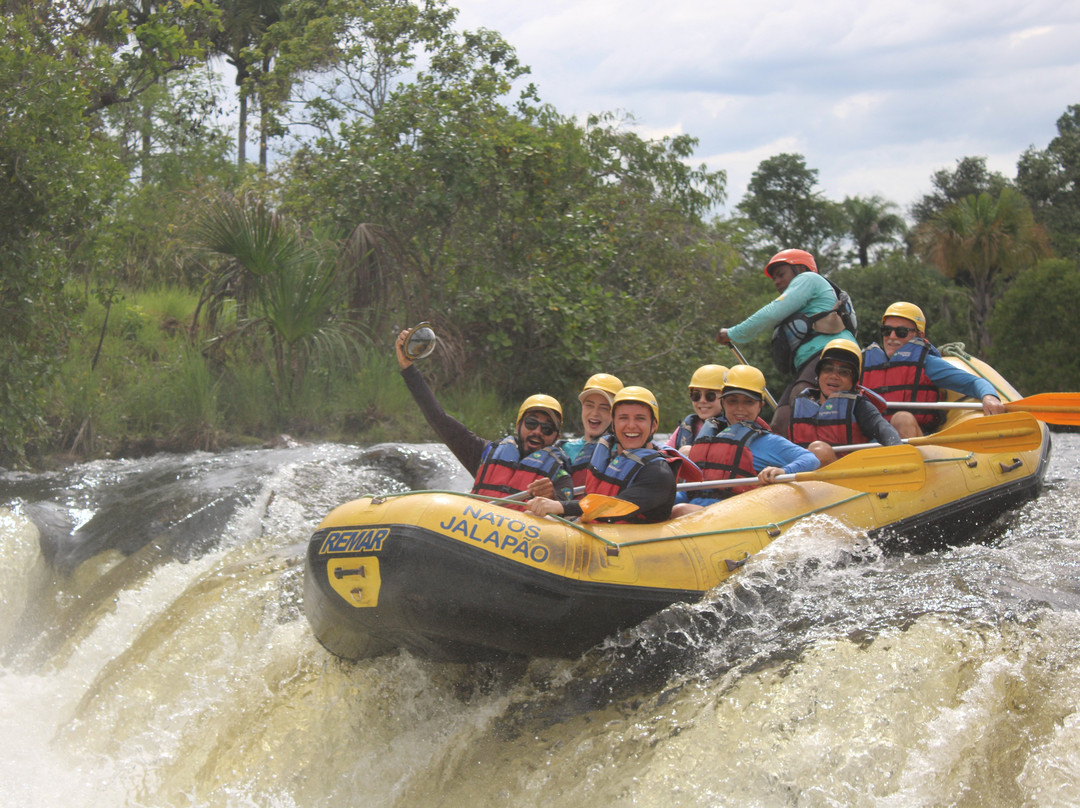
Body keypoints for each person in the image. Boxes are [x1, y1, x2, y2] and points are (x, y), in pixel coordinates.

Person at [395, 328, 572, 503]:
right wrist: (408, 368)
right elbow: (438, 418)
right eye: (531, 423)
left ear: (556, 437)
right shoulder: (483, 453)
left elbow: (567, 511)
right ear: (519, 426)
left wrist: (553, 498)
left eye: (547, 429)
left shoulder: (560, 477)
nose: (537, 432)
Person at [716, 248, 857, 437]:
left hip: (829, 354)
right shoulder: (804, 292)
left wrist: (733, 333)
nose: (777, 282)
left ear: (799, 269)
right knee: (781, 422)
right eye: (774, 278)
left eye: (781, 274)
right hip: (810, 363)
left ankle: (815, 454)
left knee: (801, 400)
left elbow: (772, 312)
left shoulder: (808, 279)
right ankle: (786, 463)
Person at [670, 365, 820, 517]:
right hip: (694, 513)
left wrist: (783, 471)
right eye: (732, 401)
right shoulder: (708, 439)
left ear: (760, 406)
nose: (739, 408)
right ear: (723, 403)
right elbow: (689, 491)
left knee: (681, 510)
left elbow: (811, 459)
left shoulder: (767, 441)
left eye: (748, 402)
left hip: (733, 515)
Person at [527, 386, 678, 523]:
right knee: (531, 517)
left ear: (654, 425)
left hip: (629, 544)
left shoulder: (659, 472)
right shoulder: (606, 456)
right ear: (613, 424)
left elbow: (617, 506)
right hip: (597, 532)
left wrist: (560, 506)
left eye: (640, 418)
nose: (631, 425)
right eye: (623, 418)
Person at [862, 302, 1006, 439]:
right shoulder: (864, 364)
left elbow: (975, 382)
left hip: (911, 437)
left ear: (920, 335)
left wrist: (989, 396)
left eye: (901, 332)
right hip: (872, 441)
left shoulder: (927, 363)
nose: (892, 337)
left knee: (902, 418)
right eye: (886, 331)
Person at [788, 339, 902, 466]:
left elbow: (883, 430)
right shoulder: (800, 404)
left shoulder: (860, 405)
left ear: (853, 381)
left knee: (818, 451)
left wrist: (898, 452)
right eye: (828, 369)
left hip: (849, 477)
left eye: (844, 372)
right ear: (819, 374)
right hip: (806, 479)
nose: (834, 376)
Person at [560, 373, 623, 487]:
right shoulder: (563, 449)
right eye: (589, 405)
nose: (594, 413)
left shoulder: (621, 452)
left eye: (604, 408)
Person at [666, 364, 728, 451]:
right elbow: (666, 454)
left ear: (726, 398)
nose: (702, 400)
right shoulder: (687, 425)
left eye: (710, 395)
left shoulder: (733, 429)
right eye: (696, 395)